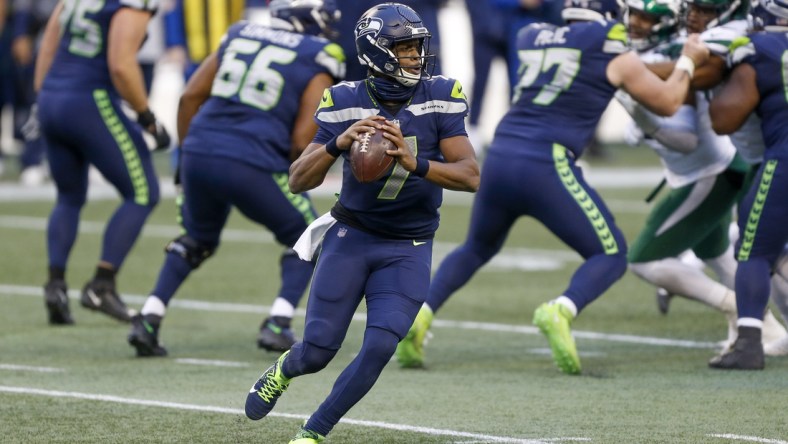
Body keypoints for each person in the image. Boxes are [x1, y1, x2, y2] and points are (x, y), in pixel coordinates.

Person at [395, 0, 711, 374]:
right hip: (546, 162)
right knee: (610, 254)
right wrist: (689, 59)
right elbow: (669, 101)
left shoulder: (533, 35)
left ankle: (420, 315)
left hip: (501, 154)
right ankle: (562, 309)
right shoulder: (610, 45)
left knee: (477, 247)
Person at [243, 3, 479, 442]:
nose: (417, 57)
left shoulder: (441, 93)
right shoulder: (345, 98)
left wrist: (418, 164)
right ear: (378, 52)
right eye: (406, 48)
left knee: (379, 348)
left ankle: (312, 433)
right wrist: (336, 144)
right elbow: (297, 180)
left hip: (408, 245)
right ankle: (284, 368)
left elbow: (470, 174)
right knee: (315, 352)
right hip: (352, 236)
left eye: (417, 47)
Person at [127, 0, 345, 357]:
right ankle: (278, 322)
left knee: (197, 239)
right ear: (307, 19)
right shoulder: (319, 54)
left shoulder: (239, 34)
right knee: (313, 237)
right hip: (252, 160)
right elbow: (301, 137)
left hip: (199, 150)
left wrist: (187, 160)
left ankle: (149, 316)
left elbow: (189, 98)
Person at [618, 0, 787, 353]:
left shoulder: (733, 34)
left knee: (759, 254)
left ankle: (744, 318)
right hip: (751, 158)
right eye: (692, 7)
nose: (695, 15)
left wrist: (626, 75)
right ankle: (767, 329)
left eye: (706, 9)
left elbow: (705, 73)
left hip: (735, 164)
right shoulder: (713, 38)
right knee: (750, 254)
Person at [35, 0, 171, 325]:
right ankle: (102, 284)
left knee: (68, 197)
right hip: (89, 98)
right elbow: (121, 65)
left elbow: (49, 43)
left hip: (52, 96)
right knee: (143, 192)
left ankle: (55, 285)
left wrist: (44, 98)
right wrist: (147, 117)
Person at [707, 0, 788, 369]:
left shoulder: (761, 48)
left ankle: (750, 343)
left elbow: (724, 119)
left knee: (753, 250)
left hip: (784, 158)